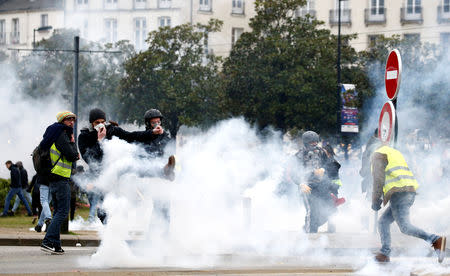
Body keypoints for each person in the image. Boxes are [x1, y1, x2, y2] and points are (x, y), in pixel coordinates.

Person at [371, 141, 446, 263]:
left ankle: (435, 240)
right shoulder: (394, 152)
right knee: (383, 221)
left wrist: (375, 200)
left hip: (399, 193)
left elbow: (378, 179)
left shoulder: (377, 154)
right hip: (408, 190)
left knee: (405, 227)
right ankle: (384, 253)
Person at [78, 108, 143, 224]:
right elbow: (91, 159)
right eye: (97, 122)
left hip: (114, 176)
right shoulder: (84, 136)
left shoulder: (112, 131)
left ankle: (116, 232)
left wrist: (152, 133)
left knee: (117, 207)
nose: (100, 125)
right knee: (103, 211)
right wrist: (100, 140)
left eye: (102, 121)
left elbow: (131, 136)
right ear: (91, 123)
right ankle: (109, 231)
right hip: (98, 178)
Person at [40, 111, 79, 254]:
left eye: (73, 120)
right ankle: (48, 240)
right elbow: (72, 155)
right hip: (60, 177)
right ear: (62, 121)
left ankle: (56, 245)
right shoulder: (61, 135)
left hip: (53, 178)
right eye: (69, 120)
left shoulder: (52, 133)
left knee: (58, 211)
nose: (72, 123)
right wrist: (73, 144)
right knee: (63, 212)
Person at [294, 131, 340, 233]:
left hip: (321, 185)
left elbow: (328, 165)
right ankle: (310, 236)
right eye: (312, 143)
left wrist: (323, 169)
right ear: (306, 143)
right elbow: (294, 173)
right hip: (307, 186)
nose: (314, 145)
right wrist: (301, 183)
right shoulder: (299, 155)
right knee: (312, 212)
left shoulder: (321, 152)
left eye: (316, 142)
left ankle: (307, 227)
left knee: (331, 209)